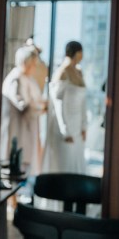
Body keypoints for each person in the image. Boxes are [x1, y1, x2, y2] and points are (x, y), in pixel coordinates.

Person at [0, 46, 47, 177]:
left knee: (23, 164)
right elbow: (23, 105)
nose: (34, 67)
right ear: (24, 62)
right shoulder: (15, 79)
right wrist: (41, 108)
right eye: (32, 64)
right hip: (16, 128)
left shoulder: (27, 78)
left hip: (26, 127)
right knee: (14, 163)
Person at [41, 40, 87, 174]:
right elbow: (58, 104)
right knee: (64, 163)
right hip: (63, 124)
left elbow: (84, 102)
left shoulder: (79, 72)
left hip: (77, 124)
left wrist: (84, 126)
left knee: (76, 162)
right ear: (77, 53)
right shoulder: (62, 72)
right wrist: (65, 130)